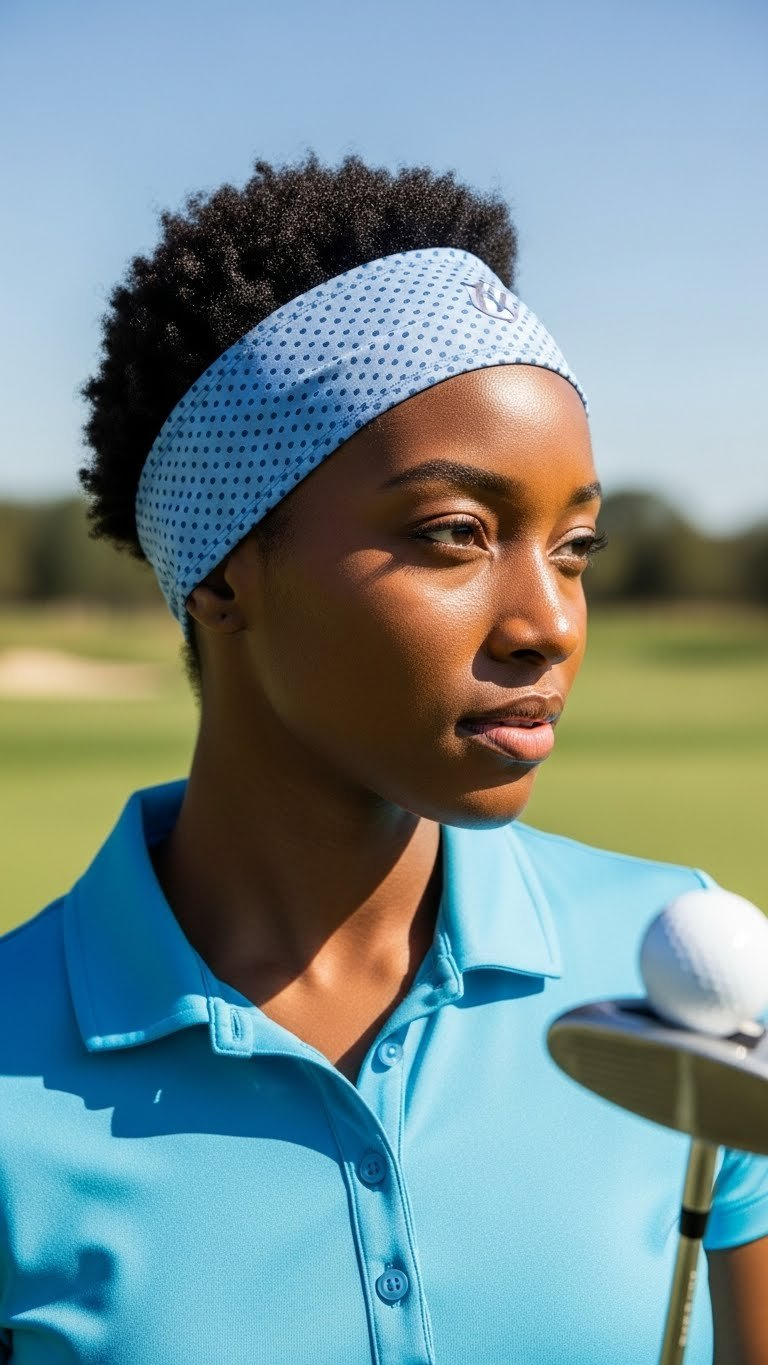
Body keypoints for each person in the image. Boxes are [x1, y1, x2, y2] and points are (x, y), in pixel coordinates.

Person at [0, 153, 765, 1364]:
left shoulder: (681, 980)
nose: (550, 622)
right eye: (454, 534)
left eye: (574, 548)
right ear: (223, 574)